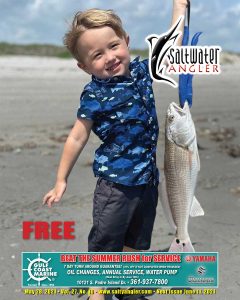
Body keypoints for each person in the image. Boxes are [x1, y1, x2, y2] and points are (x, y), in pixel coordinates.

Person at [43, 1, 189, 299]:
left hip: (147, 182)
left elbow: (172, 44)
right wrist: (61, 179)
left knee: (137, 240)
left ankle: (127, 286)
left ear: (126, 41)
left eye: (113, 46)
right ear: (83, 66)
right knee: (106, 241)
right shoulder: (95, 94)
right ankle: (97, 292)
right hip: (115, 187)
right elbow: (76, 137)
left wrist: (179, 6)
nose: (109, 57)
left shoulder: (141, 72)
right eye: (97, 55)